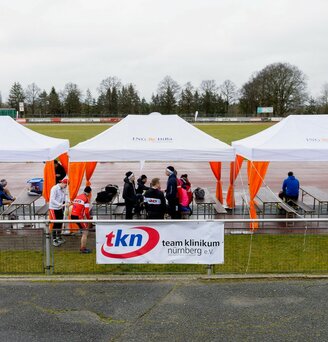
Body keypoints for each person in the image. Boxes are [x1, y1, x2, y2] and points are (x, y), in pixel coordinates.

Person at [71, 186, 92, 254]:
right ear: (89, 193)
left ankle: (81, 232)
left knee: (83, 229)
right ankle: (83, 249)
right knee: (85, 231)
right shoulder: (86, 199)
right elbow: (86, 212)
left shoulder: (78, 196)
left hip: (72, 215)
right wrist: (89, 219)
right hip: (78, 216)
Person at [49, 178, 68, 247]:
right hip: (53, 208)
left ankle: (58, 236)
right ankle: (54, 239)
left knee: (60, 222)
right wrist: (60, 204)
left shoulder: (62, 189)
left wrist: (68, 201)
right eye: (65, 185)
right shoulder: (54, 188)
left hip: (60, 208)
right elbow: (52, 199)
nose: (66, 187)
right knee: (56, 223)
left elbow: (64, 198)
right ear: (62, 183)